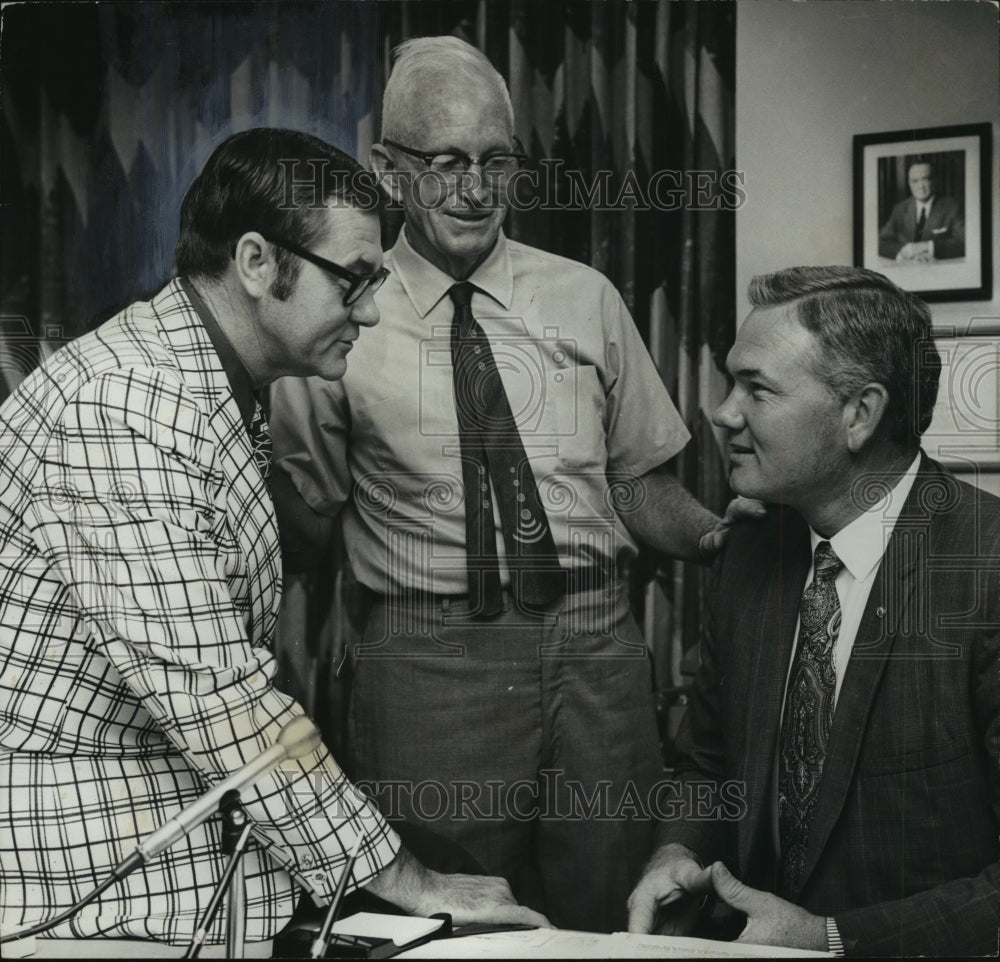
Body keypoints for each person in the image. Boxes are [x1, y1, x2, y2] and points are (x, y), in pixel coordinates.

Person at [0, 127, 548, 953]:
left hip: (154, 875)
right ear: (257, 262)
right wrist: (409, 881)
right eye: (354, 282)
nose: (370, 310)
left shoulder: (194, 378)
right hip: (83, 895)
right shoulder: (124, 404)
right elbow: (222, 702)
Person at [268, 37, 758, 933]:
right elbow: (307, 523)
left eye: (497, 160)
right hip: (427, 661)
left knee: (621, 911)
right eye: (446, 160)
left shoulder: (586, 297)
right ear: (389, 167)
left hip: (596, 649)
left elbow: (636, 485)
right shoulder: (339, 320)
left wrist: (717, 537)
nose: (475, 186)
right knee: (449, 917)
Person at [626, 265, 1000, 956]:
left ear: (859, 413)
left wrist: (830, 938)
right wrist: (674, 854)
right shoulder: (748, 553)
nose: (722, 411)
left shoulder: (986, 568)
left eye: (757, 389)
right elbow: (707, 764)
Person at [878, 160, 965, 261]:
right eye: (915, 181)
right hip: (906, 268)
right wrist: (903, 254)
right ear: (909, 183)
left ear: (934, 180)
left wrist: (927, 246)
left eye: (925, 179)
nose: (921, 187)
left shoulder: (952, 206)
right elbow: (881, 242)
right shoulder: (900, 209)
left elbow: (964, 242)